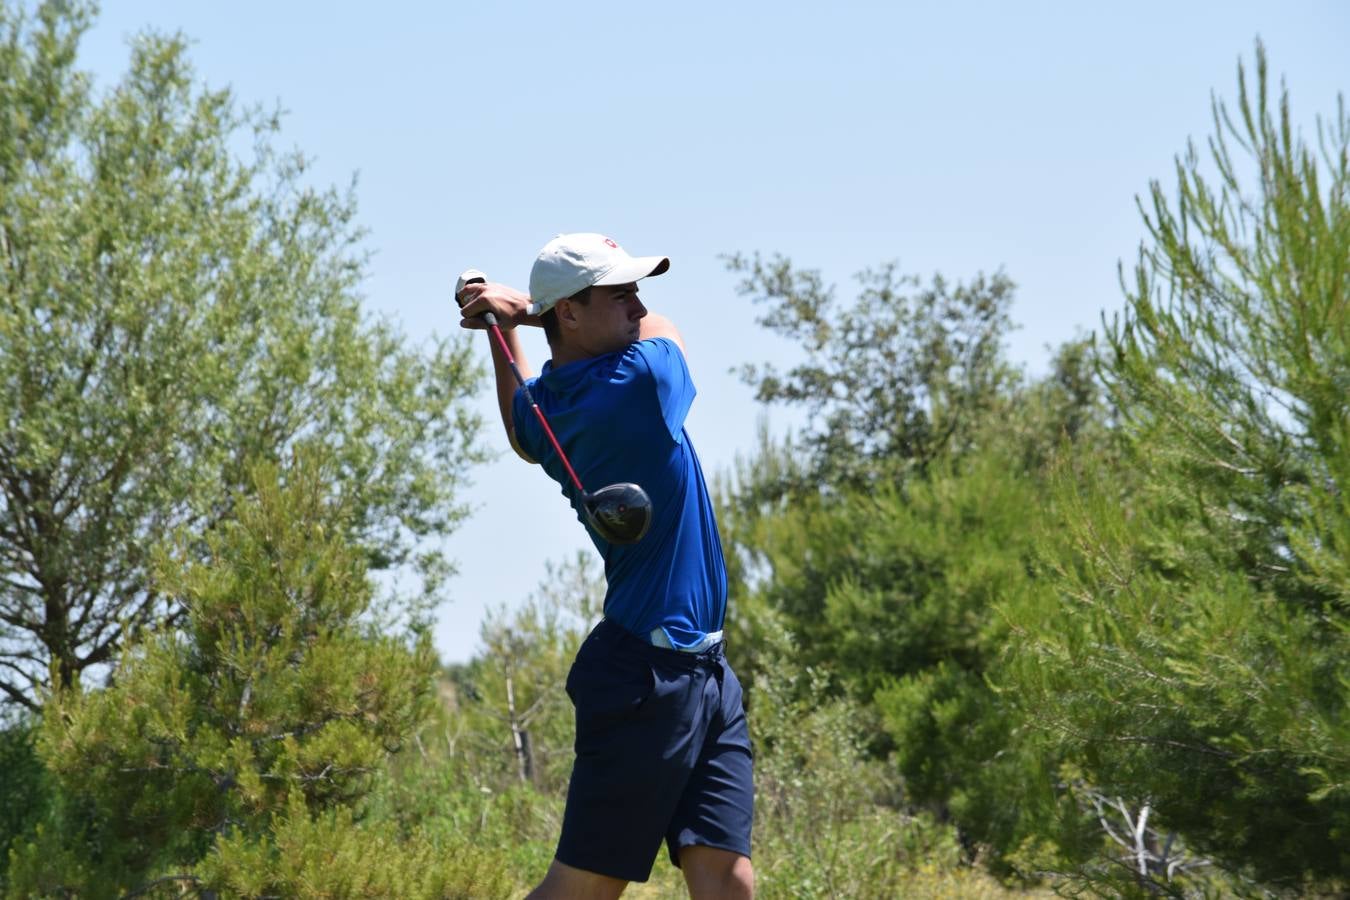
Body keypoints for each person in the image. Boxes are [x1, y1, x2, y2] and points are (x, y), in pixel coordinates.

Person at [457, 233, 754, 900]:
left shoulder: (549, 409)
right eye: (619, 294)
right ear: (569, 312)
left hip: (702, 671)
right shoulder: (642, 381)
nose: (638, 304)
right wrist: (522, 311)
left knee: (727, 876)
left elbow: (517, 425)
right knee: (584, 888)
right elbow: (667, 330)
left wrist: (501, 327)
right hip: (646, 680)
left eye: (635, 291)